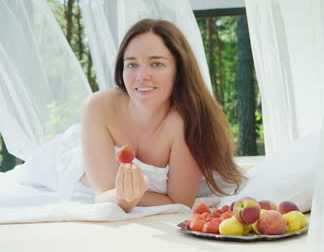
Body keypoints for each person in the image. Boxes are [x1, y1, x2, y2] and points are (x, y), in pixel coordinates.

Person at [79, 19, 246, 213]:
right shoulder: (98, 106)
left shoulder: (186, 122)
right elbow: (104, 193)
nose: (142, 76)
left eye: (157, 63)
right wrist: (123, 197)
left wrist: (129, 197)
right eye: (132, 64)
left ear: (179, 70)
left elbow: (179, 204)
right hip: (73, 163)